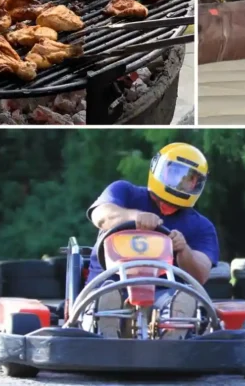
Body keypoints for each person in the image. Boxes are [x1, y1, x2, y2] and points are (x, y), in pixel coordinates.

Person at [84, 142, 219, 340]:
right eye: (176, 175)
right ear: (158, 169)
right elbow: (101, 216)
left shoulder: (202, 226)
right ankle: (107, 329)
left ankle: (172, 336)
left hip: (164, 294)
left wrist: (183, 250)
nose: (181, 183)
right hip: (110, 284)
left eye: (189, 180)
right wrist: (135, 217)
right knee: (109, 297)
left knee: (184, 299)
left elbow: (201, 274)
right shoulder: (125, 192)